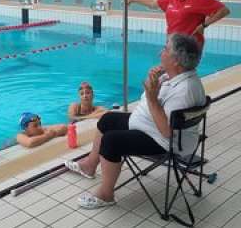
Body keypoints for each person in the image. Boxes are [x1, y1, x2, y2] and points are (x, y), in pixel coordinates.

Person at [65, 34, 206, 209]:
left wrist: (153, 98)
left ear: (176, 61)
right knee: (108, 119)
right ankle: (90, 165)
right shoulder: (173, 76)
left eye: (165, 49)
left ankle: (106, 194)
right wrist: (152, 83)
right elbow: (149, 96)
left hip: (164, 141)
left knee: (111, 141)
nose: (160, 52)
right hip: (150, 126)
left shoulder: (185, 91)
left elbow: (166, 131)